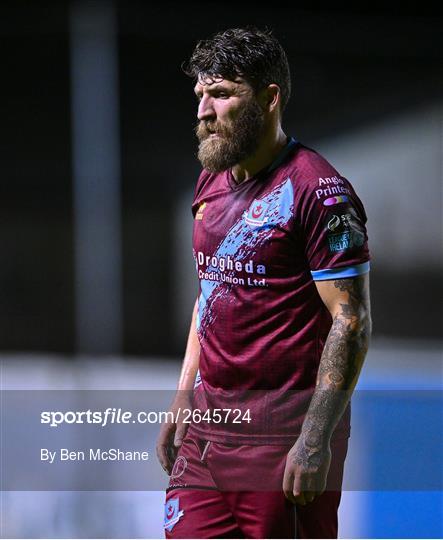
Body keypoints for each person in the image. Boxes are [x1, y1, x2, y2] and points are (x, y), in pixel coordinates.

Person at [157, 26, 371, 539]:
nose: (205, 111)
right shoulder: (212, 176)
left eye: (223, 94)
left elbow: (351, 321)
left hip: (281, 441)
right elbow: (210, 290)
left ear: (270, 98)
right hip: (209, 436)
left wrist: (314, 439)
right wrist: (184, 393)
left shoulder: (317, 192)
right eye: (201, 95)